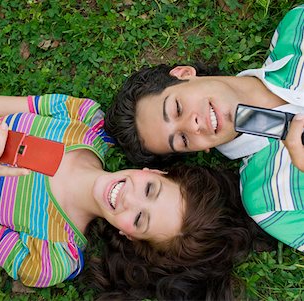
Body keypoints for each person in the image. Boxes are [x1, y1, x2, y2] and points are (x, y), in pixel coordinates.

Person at [0, 45, 255, 300]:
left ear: (130, 236)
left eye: (139, 218)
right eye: (150, 190)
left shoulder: (53, 255)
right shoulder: (82, 120)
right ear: (153, 170)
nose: (128, 197)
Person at [105, 5, 304, 252]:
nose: (193, 125)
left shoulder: (299, 29)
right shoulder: (268, 199)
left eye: (177, 108)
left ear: (185, 74)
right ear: (201, 150)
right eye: (182, 139)